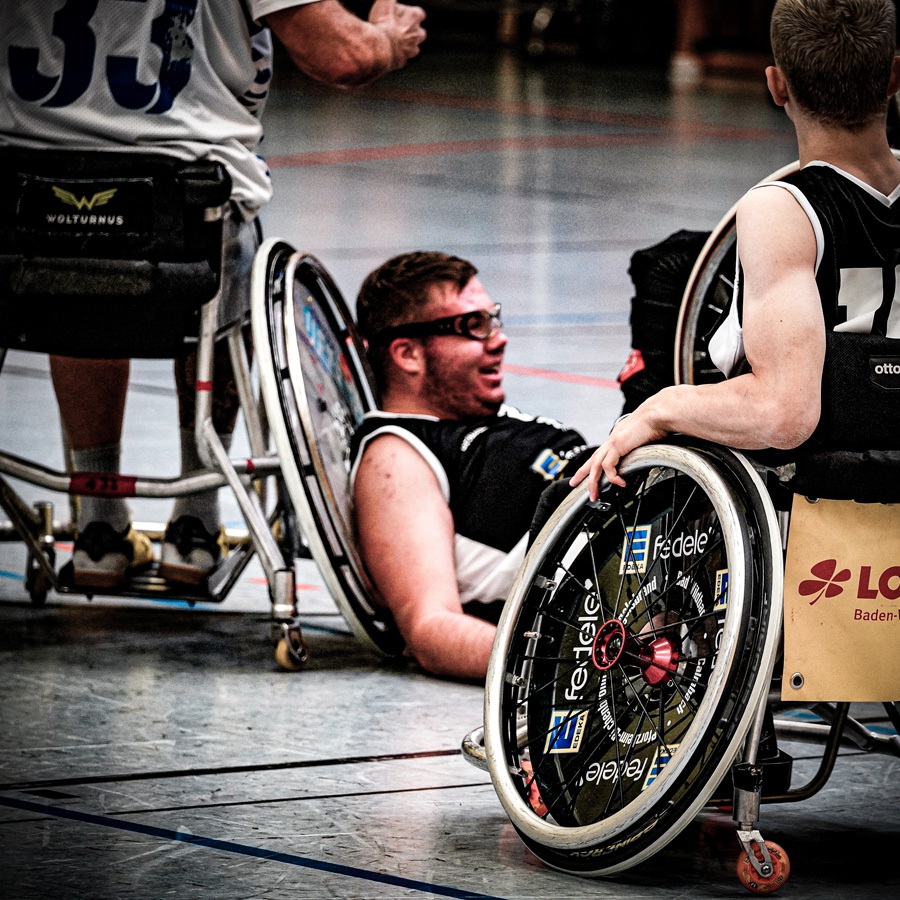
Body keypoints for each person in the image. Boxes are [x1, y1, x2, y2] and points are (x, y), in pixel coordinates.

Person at [0, 0, 426, 590]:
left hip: (26, 197)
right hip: (184, 194)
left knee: (80, 278)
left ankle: (99, 528)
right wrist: (389, 38)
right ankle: (196, 524)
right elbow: (340, 55)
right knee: (220, 282)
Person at [573, 0, 900, 500]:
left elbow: (784, 413)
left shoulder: (786, 209)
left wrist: (660, 408)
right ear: (894, 76)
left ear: (777, 85)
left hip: (829, 500)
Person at [350, 252, 591, 681]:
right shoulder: (396, 455)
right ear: (408, 354)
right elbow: (429, 629)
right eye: (473, 326)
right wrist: (568, 666)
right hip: (615, 565)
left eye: (493, 320)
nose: (498, 339)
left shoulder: (477, 418)